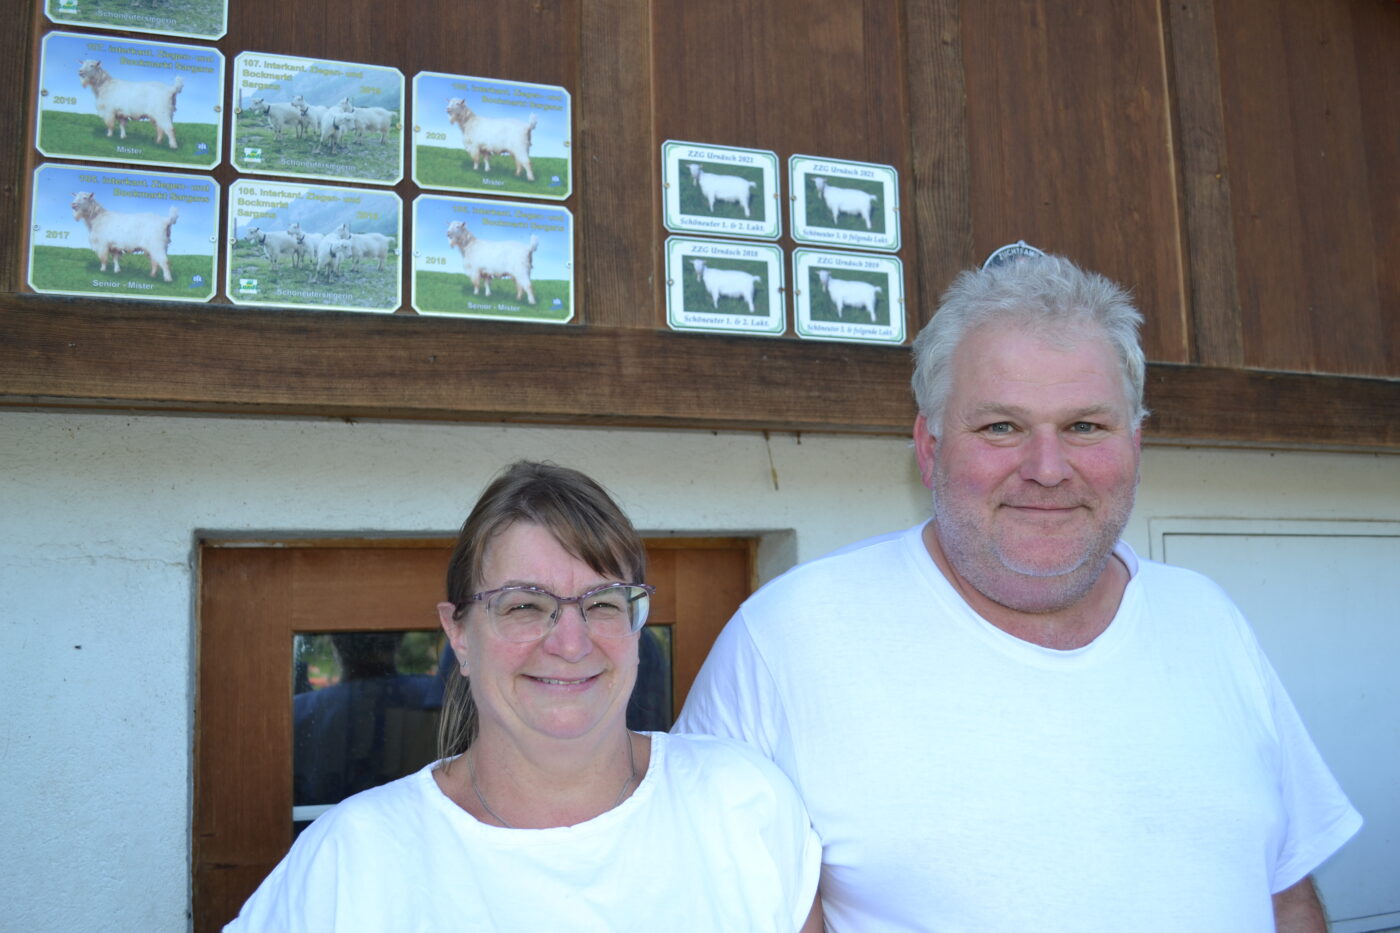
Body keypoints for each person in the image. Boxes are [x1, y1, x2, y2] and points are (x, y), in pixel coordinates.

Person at [675, 255, 1362, 932]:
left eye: (1085, 426)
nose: (1047, 469)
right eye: (1001, 426)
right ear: (930, 447)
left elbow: (1285, 894)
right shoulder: (787, 637)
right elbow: (701, 894)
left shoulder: (1209, 618)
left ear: (1136, 445)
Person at [229, 461, 823, 932]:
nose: (570, 642)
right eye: (524, 605)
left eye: (603, 603)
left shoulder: (743, 804)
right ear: (459, 634)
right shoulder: (355, 857)